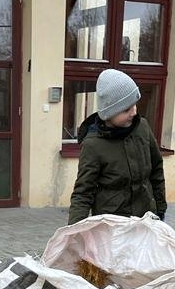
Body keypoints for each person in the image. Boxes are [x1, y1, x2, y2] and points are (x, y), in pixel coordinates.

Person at [68, 69, 167, 225]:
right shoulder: (93, 145)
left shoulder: (143, 127)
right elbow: (83, 192)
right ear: (109, 113)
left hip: (146, 219)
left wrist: (160, 208)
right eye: (126, 109)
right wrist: (75, 230)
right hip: (112, 226)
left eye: (134, 105)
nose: (134, 112)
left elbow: (156, 169)